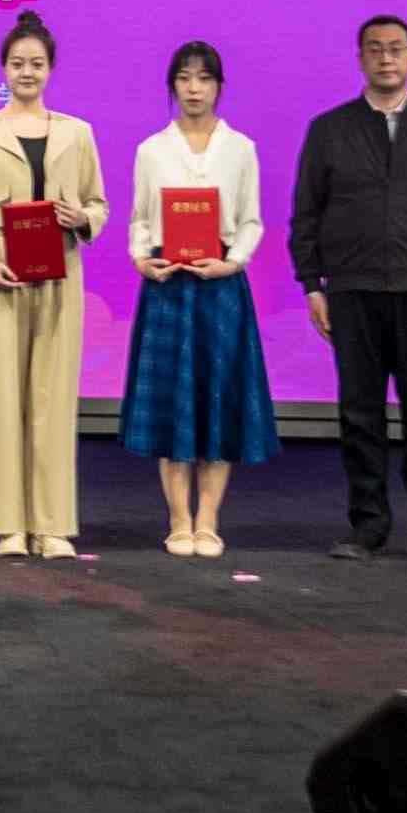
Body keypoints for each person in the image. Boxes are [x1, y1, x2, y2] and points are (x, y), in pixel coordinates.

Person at [290, 15, 407, 564]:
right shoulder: (329, 129)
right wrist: (312, 285)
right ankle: (368, 526)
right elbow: (306, 214)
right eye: (374, 49)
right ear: (360, 59)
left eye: (396, 49)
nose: (386, 58)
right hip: (352, 291)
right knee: (360, 416)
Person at [0, 9, 106, 559]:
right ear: (4, 69)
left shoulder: (77, 133)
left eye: (36, 64)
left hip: (60, 277)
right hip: (2, 278)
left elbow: (99, 204)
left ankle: (52, 525)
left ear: (50, 69)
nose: (27, 72)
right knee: (5, 399)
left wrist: (80, 217)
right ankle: (9, 524)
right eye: (17, 63)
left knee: (53, 400)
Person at [119, 40, 277, 560]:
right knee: (172, 405)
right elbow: (141, 219)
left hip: (220, 285)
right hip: (169, 286)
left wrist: (234, 261)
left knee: (217, 402)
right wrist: (142, 258)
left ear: (218, 87)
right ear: (172, 85)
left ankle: (208, 520)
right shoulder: (152, 150)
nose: (194, 88)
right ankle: (178, 520)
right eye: (184, 78)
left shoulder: (241, 149)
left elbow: (251, 220)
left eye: (204, 78)